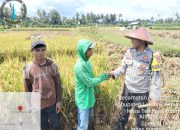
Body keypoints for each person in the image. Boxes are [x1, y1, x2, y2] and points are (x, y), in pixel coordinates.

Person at [110, 27, 162, 129]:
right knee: (123, 114)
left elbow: (156, 78)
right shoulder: (129, 52)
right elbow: (122, 67)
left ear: (142, 40)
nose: (131, 41)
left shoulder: (154, 56)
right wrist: (113, 73)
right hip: (127, 89)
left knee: (140, 120)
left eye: (134, 38)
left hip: (141, 93)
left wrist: (155, 98)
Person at [23, 40, 63, 130]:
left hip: (52, 104)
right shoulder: (28, 68)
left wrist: (59, 101)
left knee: (56, 126)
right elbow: (27, 89)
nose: (41, 52)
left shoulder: (52, 65)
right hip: (37, 105)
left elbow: (58, 85)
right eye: (37, 50)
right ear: (32, 51)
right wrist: (29, 105)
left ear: (46, 50)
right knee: (43, 127)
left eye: (43, 50)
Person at [74, 39, 110, 130]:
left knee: (87, 123)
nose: (91, 52)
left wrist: (96, 90)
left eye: (91, 50)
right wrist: (103, 76)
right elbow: (89, 82)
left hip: (89, 98)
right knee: (83, 126)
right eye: (88, 50)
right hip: (83, 99)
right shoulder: (80, 66)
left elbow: (92, 77)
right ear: (82, 50)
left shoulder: (87, 62)